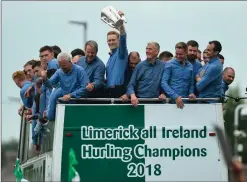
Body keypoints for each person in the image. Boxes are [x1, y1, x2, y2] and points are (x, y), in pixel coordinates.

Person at [41, 52, 89, 122]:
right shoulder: (59, 72)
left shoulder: (80, 70)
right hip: (65, 106)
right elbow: (50, 85)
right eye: (60, 66)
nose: (62, 68)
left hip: (78, 105)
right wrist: (44, 79)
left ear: (70, 62)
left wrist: (71, 95)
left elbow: (85, 88)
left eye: (64, 65)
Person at [126, 42, 166, 106]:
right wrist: (132, 95)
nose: (147, 51)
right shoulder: (139, 66)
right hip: (140, 103)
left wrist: (164, 93)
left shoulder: (163, 66)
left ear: (157, 51)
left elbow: (166, 82)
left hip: (157, 103)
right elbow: (130, 85)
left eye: (150, 49)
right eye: (146, 49)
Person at [161, 42, 195, 109]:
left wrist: (191, 93)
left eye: (181, 54)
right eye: (177, 54)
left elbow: (191, 84)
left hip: (186, 103)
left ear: (186, 52)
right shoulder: (169, 64)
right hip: (171, 103)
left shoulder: (190, 66)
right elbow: (163, 83)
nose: (178, 56)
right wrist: (175, 96)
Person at [105, 10, 128, 98]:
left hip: (119, 91)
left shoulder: (121, 53)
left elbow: (123, 36)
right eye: (109, 40)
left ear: (118, 41)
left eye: (113, 40)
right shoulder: (110, 57)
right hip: (109, 91)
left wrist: (121, 24)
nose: (111, 42)